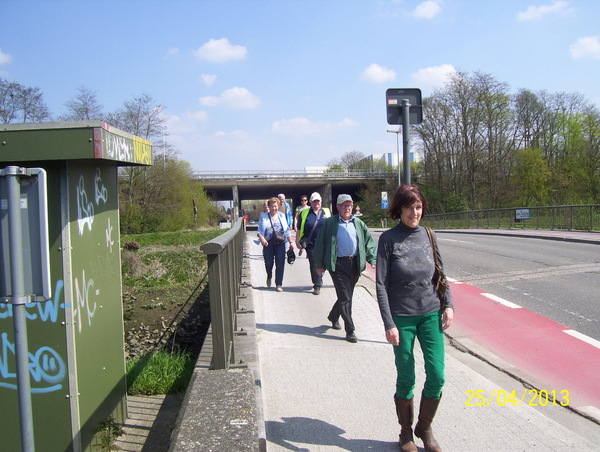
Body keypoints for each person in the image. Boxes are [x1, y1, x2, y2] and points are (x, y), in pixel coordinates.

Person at [375, 184, 454, 452]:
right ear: (399, 209)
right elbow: (381, 284)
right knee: (406, 376)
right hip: (403, 318)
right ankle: (406, 432)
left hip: (430, 314)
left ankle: (425, 426)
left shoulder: (428, 235)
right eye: (409, 207)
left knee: (437, 374)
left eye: (419, 207)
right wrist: (389, 323)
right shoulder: (388, 239)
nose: (415, 212)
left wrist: (449, 305)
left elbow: (440, 274)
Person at [314, 194, 377, 343]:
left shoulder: (359, 224)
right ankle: (350, 330)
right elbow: (320, 245)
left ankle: (334, 316)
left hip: (354, 264)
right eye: (343, 205)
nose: (346, 208)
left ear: (352, 207)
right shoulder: (330, 224)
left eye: (349, 205)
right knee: (346, 297)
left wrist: (372, 258)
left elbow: (369, 242)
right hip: (337, 264)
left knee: (346, 297)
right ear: (337, 207)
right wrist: (320, 265)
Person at [296, 192, 330, 295]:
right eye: (314, 201)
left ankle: (319, 277)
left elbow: (333, 227)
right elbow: (298, 228)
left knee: (324, 263)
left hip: (324, 243)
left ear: (321, 202)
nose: (316, 203)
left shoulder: (327, 212)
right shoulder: (305, 213)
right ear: (310, 202)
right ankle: (317, 285)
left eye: (318, 201)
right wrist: (297, 241)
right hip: (310, 243)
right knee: (314, 263)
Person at [257, 197, 294, 292]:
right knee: (269, 263)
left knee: (280, 263)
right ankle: (269, 275)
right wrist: (262, 239)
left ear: (278, 206)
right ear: (269, 207)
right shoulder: (264, 216)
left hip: (280, 242)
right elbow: (260, 231)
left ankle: (279, 284)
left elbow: (287, 231)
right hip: (268, 243)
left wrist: (291, 242)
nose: (274, 208)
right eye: (272, 206)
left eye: (275, 206)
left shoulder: (282, 216)